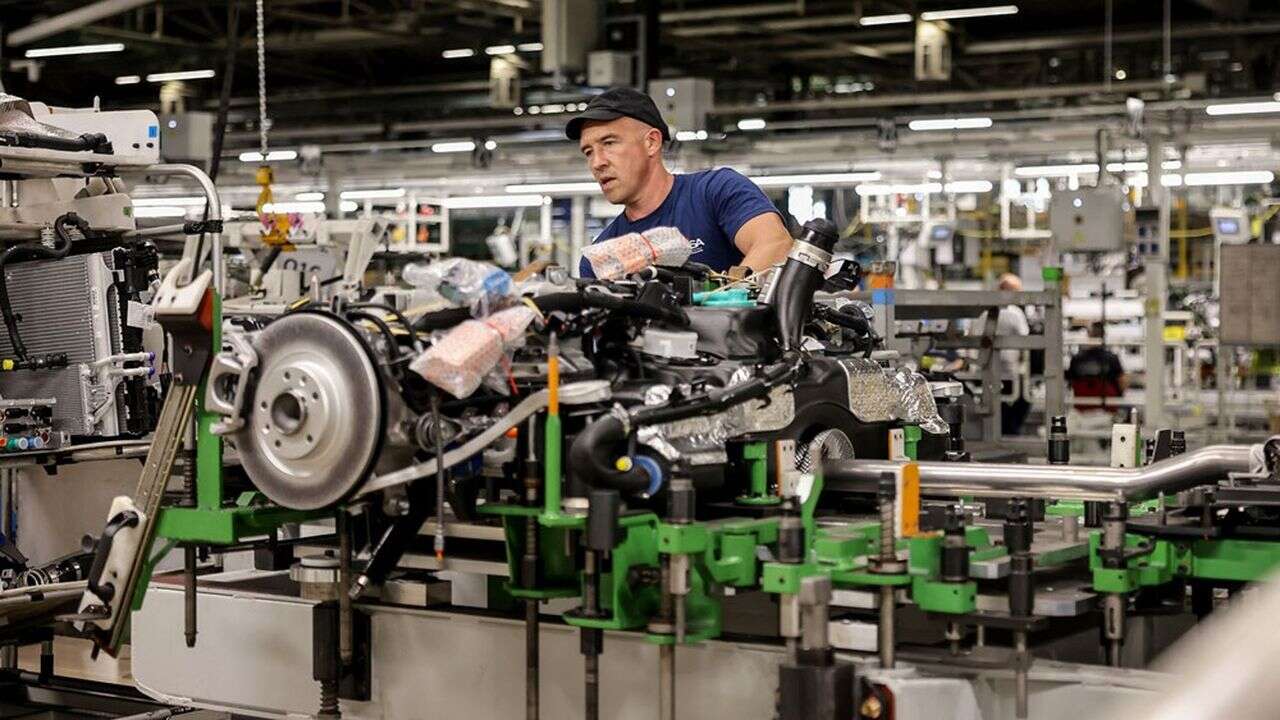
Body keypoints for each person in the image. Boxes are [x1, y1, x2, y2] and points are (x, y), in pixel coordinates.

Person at [566, 87, 794, 278]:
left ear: (651, 143)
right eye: (588, 152)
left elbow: (775, 245)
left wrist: (723, 299)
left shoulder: (716, 191)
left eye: (609, 143)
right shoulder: (601, 257)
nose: (597, 163)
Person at [973, 273, 1031, 436]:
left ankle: (992, 434)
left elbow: (973, 340)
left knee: (995, 404)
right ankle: (1009, 433)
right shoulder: (1015, 313)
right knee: (1022, 400)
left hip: (985, 372)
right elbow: (1026, 341)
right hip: (1008, 373)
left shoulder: (983, 313)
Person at [1067, 322, 1127, 409]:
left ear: (1089, 335)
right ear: (1104, 336)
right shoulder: (1112, 358)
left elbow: (1071, 384)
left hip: (1082, 407)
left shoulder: (1076, 359)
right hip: (1107, 407)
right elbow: (1122, 382)